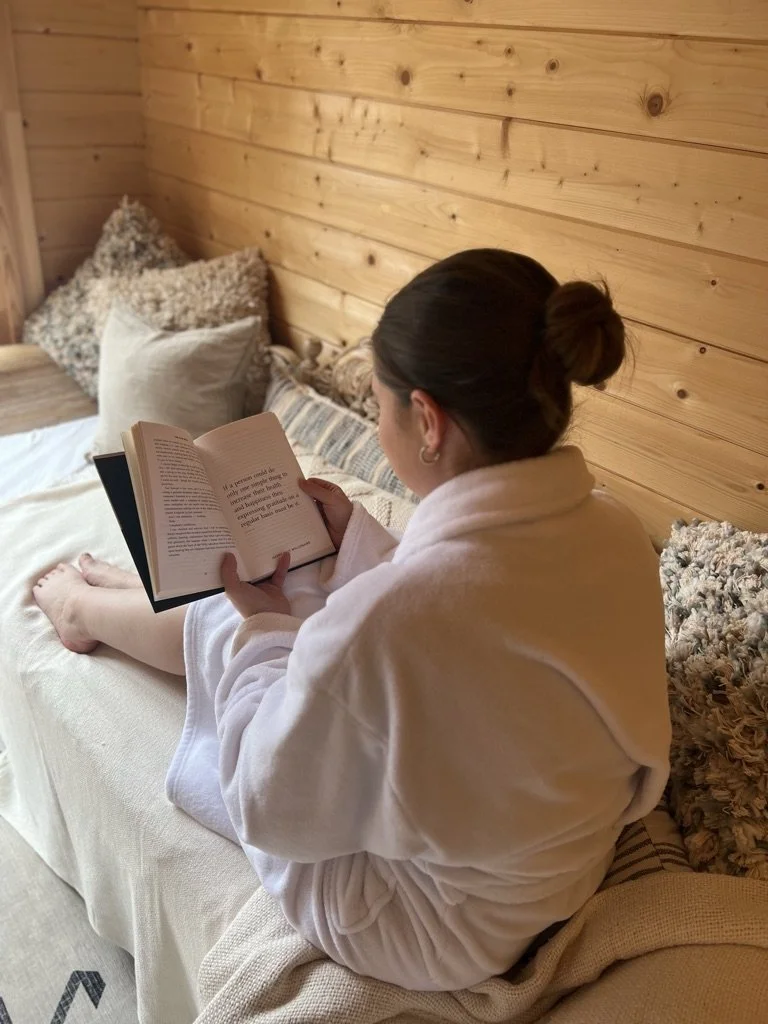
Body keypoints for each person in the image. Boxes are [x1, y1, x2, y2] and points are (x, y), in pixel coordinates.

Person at [33, 249, 671, 991]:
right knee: (310, 585)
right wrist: (360, 540)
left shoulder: (389, 622)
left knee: (230, 611)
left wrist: (267, 634)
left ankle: (83, 609)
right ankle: (121, 593)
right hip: (554, 863)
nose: (376, 424)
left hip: (424, 923)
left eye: (377, 403)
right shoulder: (615, 532)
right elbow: (482, 603)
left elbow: (265, 802)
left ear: (427, 419)